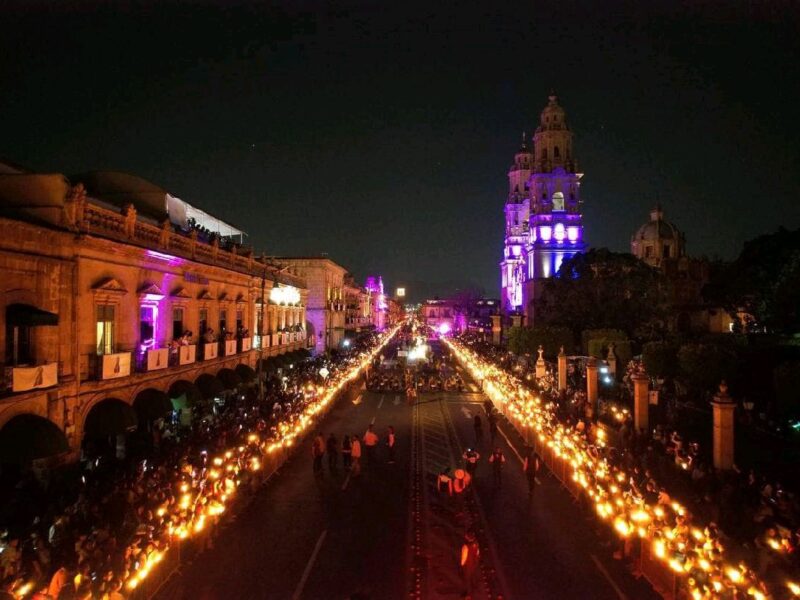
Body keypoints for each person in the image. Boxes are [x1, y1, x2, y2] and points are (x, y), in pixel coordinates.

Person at [460, 530, 480, 596]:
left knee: (467, 578)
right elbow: (477, 553)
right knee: (473, 576)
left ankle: (468, 593)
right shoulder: (476, 543)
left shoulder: (465, 546)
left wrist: (462, 565)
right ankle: (475, 588)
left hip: (468, 565)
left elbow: (464, 557)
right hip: (474, 563)